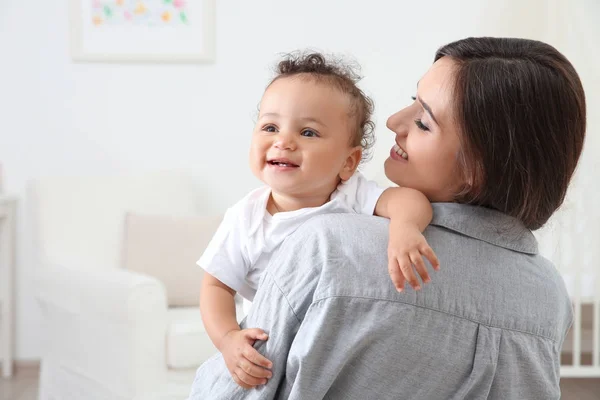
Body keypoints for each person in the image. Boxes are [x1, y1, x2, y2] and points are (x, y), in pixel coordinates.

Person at [188, 36, 586, 400]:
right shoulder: (549, 295)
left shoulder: (326, 246)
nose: (394, 122)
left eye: (423, 121)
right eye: (411, 101)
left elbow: (237, 391)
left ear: (476, 168)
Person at [197, 52, 440, 388]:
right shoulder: (247, 217)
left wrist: (404, 227)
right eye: (270, 127)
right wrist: (228, 339)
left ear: (348, 161)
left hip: (344, 341)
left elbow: (408, 199)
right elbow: (216, 286)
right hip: (274, 343)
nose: (283, 141)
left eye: (308, 133)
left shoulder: (350, 195)